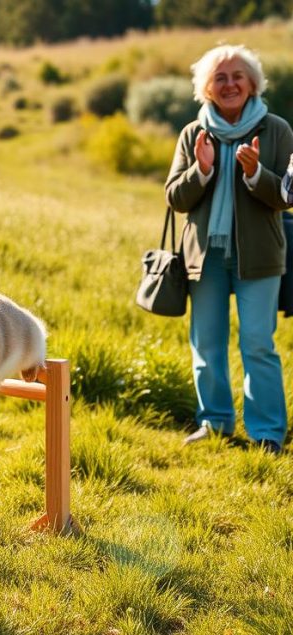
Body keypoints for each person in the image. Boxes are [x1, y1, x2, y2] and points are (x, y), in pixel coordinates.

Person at [165, 45, 293, 454]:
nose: (230, 83)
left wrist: (256, 172)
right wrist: (201, 169)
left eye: (238, 75)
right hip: (205, 258)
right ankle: (215, 422)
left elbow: (287, 197)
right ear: (207, 88)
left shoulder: (277, 131)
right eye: (219, 78)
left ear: (253, 83)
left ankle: (267, 433)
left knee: (258, 343)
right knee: (207, 343)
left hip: (260, 257)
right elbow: (175, 198)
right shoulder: (192, 133)